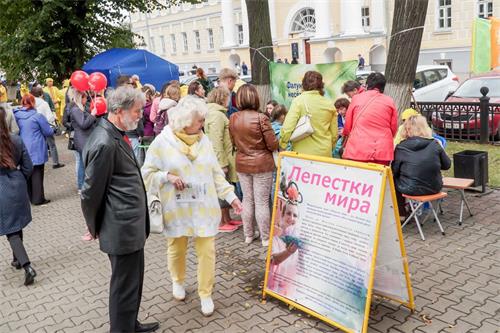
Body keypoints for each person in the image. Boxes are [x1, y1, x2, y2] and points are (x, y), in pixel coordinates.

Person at [141, 96, 243, 317]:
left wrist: (231, 197)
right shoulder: (162, 142)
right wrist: (166, 176)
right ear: (186, 122)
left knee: (207, 251)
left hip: (204, 208)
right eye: (199, 120)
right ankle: (177, 281)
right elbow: (146, 174)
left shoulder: (203, 141)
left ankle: (205, 293)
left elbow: (216, 174)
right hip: (177, 209)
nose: (202, 124)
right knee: (177, 248)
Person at [81, 86, 159, 333]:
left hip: (129, 227)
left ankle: (130, 325)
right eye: (136, 111)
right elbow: (90, 192)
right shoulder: (105, 142)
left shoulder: (114, 133)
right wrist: (93, 227)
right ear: (118, 111)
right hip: (120, 228)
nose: (140, 116)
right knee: (124, 287)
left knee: (133, 283)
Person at [229, 84, 278, 246]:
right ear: (255, 98)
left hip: (242, 163)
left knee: (247, 199)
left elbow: (233, 142)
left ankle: (249, 235)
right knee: (262, 201)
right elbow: (272, 144)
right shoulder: (261, 118)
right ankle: (265, 238)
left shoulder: (233, 118)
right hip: (262, 164)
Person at [0, 107, 37, 286]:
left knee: (11, 230)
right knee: (16, 223)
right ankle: (16, 259)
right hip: (18, 185)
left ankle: (27, 265)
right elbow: (28, 167)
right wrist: (20, 179)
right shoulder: (16, 139)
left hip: (2, 190)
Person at [392, 115, 451, 216]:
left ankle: (401, 213)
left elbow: (395, 170)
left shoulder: (400, 147)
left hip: (409, 188)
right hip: (434, 188)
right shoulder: (435, 144)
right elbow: (447, 165)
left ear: (406, 129)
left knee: (393, 180)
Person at [342, 72, 398, 166]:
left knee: (359, 178)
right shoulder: (389, 101)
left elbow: (348, 126)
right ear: (383, 87)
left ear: (367, 85)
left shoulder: (356, 99)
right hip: (382, 149)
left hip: (359, 147)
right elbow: (393, 128)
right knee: (380, 179)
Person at [205, 87, 240, 233]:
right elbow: (216, 140)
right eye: (227, 97)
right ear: (221, 98)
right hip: (221, 159)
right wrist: (222, 163)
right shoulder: (217, 115)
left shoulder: (215, 113)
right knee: (221, 189)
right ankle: (221, 221)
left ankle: (226, 218)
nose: (229, 100)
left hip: (223, 157)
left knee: (225, 188)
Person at [279, 71, 338, 158]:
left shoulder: (298, 101)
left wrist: (283, 145)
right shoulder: (329, 103)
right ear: (321, 85)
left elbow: (288, 128)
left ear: (303, 84)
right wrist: (330, 147)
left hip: (303, 154)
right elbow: (334, 134)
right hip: (324, 153)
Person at [13, 94, 54, 205]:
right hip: (36, 147)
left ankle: (30, 197)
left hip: (22, 147)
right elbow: (48, 132)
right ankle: (38, 199)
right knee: (37, 173)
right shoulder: (37, 116)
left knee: (27, 172)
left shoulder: (16, 115)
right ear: (33, 103)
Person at [66, 88, 97, 192]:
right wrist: (92, 115)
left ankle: (84, 185)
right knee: (83, 165)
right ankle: (81, 186)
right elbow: (83, 124)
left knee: (84, 164)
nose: (86, 100)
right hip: (82, 139)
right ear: (80, 98)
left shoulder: (79, 108)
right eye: (85, 98)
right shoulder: (76, 109)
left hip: (84, 138)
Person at [31, 87, 64, 169]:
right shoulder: (44, 103)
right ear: (41, 94)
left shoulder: (31, 103)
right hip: (46, 126)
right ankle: (55, 163)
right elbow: (50, 118)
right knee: (52, 145)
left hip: (36, 127)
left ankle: (39, 163)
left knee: (40, 145)